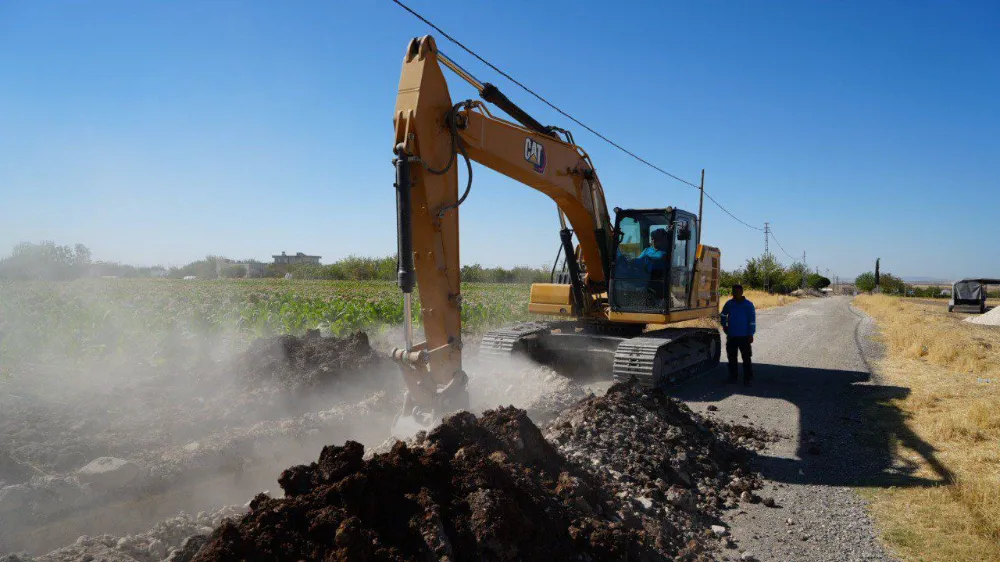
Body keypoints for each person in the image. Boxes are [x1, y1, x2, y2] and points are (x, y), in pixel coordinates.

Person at [720, 284, 756, 385]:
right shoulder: (729, 304)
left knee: (746, 358)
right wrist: (724, 325)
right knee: (731, 358)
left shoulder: (748, 305)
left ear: (741, 292)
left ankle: (748, 378)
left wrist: (751, 334)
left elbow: (752, 321)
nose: (734, 293)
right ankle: (733, 377)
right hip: (732, 336)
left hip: (744, 336)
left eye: (737, 291)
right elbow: (723, 314)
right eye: (733, 291)